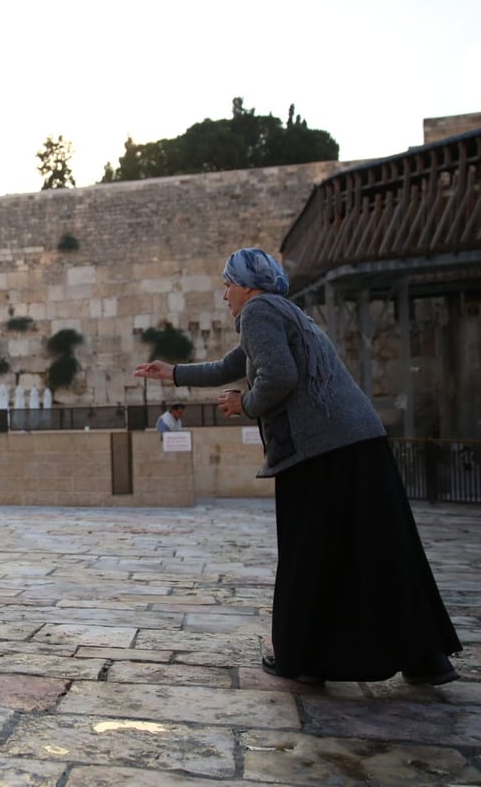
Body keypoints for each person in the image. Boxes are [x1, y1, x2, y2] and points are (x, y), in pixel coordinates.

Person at [134, 247, 461, 685]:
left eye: (228, 284)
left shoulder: (258, 312)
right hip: (359, 442)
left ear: (248, 285)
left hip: (320, 452)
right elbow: (234, 364)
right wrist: (173, 373)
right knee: (381, 550)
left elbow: (279, 376)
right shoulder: (284, 311)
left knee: (306, 553)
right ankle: (426, 659)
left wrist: (245, 403)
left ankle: (302, 657)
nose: (225, 294)